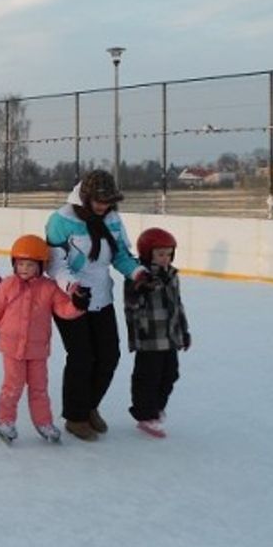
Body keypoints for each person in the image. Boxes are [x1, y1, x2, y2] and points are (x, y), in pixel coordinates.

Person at [46, 169, 148, 441]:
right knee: (81, 358)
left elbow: (121, 256)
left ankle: (90, 405)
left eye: (109, 201)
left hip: (102, 297)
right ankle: (75, 417)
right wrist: (72, 287)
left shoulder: (112, 219)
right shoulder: (61, 220)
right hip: (71, 298)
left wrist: (138, 274)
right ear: (86, 197)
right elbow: (55, 264)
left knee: (108, 356)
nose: (104, 206)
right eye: (99, 201)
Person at [0, 235, 84, 444]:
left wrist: (79, 305)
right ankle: (5, 421)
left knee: (39, 388)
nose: (24, 269)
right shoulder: (8, 285)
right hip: (11, 348)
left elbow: (63, 310)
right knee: (13, 386)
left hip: (37, 349)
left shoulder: (49, 288)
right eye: (20, 264)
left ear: (42, 265)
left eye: (30, 264)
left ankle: (43, 422)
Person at [124, 228, 191, 438]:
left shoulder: (172, 275)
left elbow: (178, 305)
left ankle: (155, 408)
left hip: (170, 337)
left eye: (169, 253)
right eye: (160, 254)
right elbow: (130, 304)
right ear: (147, 253)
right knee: (147, 377)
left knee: (171, 374)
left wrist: (184, 331)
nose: (165, 258)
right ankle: (145, 414)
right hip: (149, 337)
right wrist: (139, 289)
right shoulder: (139, 276)